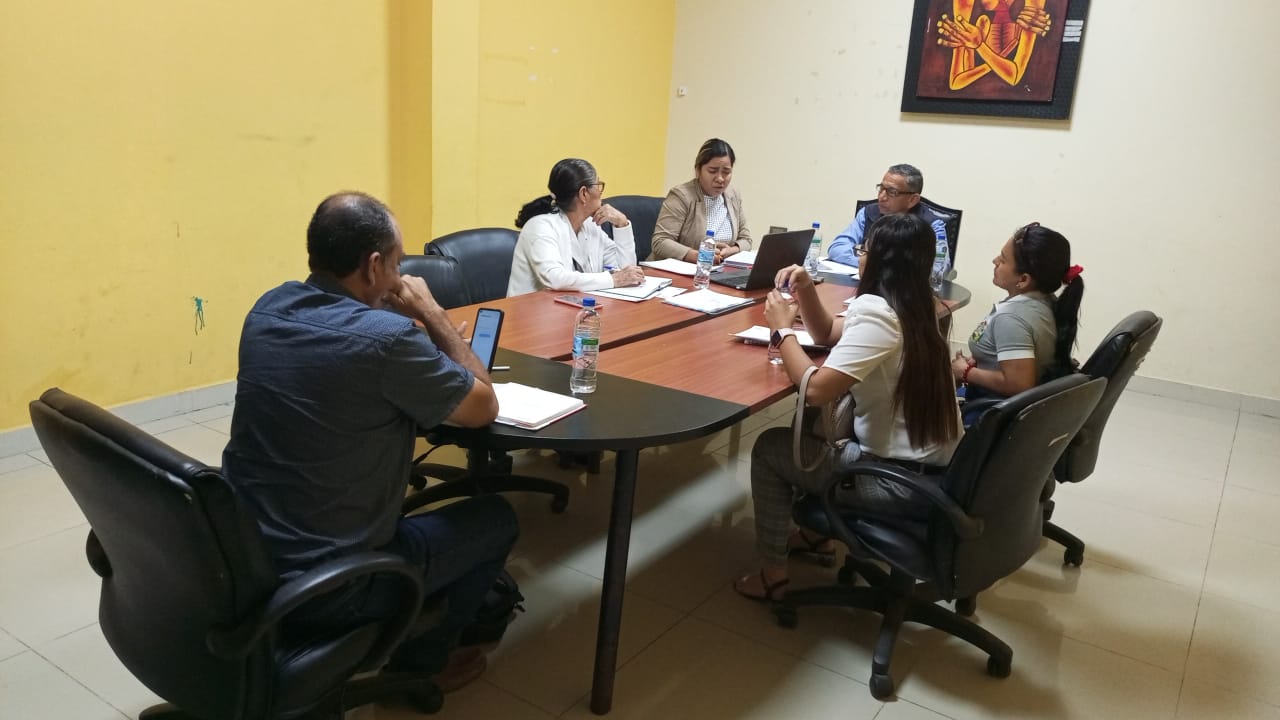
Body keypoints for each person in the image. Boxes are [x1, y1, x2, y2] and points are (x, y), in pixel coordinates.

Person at [223, 192, 519, 690]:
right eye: (398, 264)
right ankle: (424, 664)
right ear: (374, 264)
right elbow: (483, 405)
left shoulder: (267, 309)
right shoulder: (388, 339)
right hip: (329, 585)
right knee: (496, 519)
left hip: (241, 556)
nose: (401, 278)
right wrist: (433, 314)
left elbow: (341, 373)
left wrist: (411, 340)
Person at [735, 214, 964, 601]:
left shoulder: (880, 316)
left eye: (864, 250)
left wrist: (782, 329)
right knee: (812, 426)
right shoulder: (916, 304)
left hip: (895, 481)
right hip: (934, 471)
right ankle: (816, 537)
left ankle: (773, 575)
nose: (859, 257)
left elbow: (815, 391)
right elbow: (827, 333)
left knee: (771, 449)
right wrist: (806, 290)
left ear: (880, 261)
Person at [952, 222, 1083, 424]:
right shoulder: (1045, 301)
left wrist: (966, 372)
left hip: (991, 414)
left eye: (1003, 260)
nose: (995, 261)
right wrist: (982, 360)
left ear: (1023, 279)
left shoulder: (1011, 319)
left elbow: (1019, 384)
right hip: (1014, 408)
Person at [507, 158, 644, 295]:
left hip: (575, 304)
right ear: (584, 193)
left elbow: (627, 272)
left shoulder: (590, 225)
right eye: (598, 185)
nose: (601, 192)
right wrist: (613, 279)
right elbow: (556, 278)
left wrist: (622, 224)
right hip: (535, 307)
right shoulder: (541, 226)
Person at [826, 163, 950, 279]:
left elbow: (940, 268)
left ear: (912, 200)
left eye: (892, 192)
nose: (881, 197)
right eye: (881, 188)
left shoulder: (931, 225)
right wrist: (869, 263)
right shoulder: (868, 213)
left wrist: (877, 264)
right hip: (865, 285)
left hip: (905, 290)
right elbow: (837, 248)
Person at [648, 138, 753, 263]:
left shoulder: (733, 195)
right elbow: (660, 242)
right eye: (712, 171)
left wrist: (731, 251)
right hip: (680, 269)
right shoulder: (681, 196)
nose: (720, 178)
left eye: (726, 172)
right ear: (698, 171)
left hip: (719, 268)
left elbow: (746, 240)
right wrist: (699, 256)